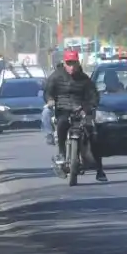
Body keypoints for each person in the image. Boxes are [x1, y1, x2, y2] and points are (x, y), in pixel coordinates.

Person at [44, 49, 105, 182]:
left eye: (74, 63)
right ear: (64, 63)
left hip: (82, 111)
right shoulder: (56, 76)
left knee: (93, 135)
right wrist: (50, 100)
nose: (71, 67)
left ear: (78, 63)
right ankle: (61, 153)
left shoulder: (85, 79)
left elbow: (94, 97)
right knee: (61, 125)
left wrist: (87, 108)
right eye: (69, 63)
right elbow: (48, 92)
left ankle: (99, 169)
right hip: (63, 109)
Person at [41, 62, 65, 145]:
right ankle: (49, 134)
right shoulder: (52, 79)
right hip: (56, 106)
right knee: (45, 113)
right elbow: (47, 92)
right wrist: (50, 99)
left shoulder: (75, 78)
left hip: (71, 106)